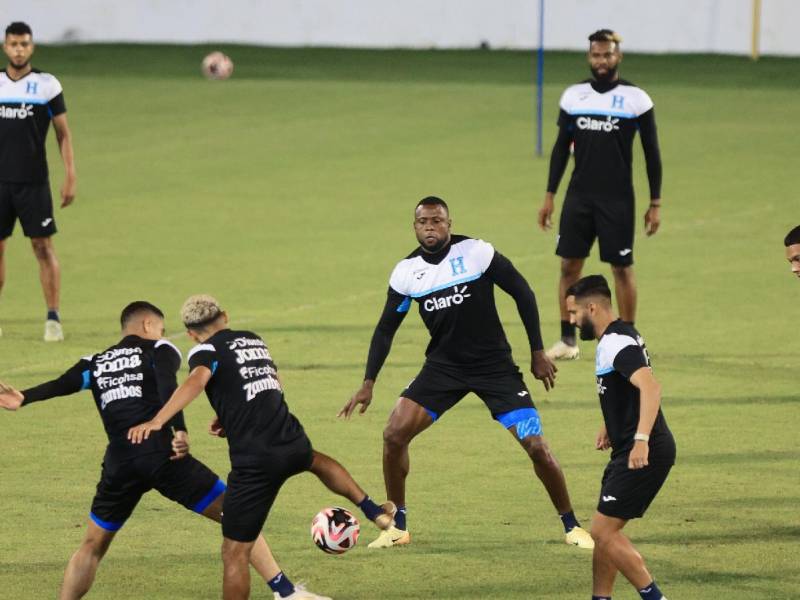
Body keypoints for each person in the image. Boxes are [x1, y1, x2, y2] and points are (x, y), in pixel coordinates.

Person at [0, 301, 329, 600]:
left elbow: (60, 384)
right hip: (163, 455)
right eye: (159, 326)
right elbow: (166, 384)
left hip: (120, 462)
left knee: (92, 545)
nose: (162, 332)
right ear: (147, 326)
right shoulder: (160, 348)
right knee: (237, 514)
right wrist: (178, 429)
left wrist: (24, 397)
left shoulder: (95, 363)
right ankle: (285, 592)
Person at [341, 195, 594, 550]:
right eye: (423, 222)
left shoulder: (476, 253)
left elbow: (522, 291)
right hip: (444, 367)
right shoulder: (406, 273)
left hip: (494, 367)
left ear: (449, 223)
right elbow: (385, 329)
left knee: (537, 447)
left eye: (437, 220)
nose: (430, 227)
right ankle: (397, 526)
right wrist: (368, 383)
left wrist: (538, 351)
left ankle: (572, 526)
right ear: (414, 227)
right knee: (394, 433)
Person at [128, 295, 395, 600]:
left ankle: (283, 591)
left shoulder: (204, 350)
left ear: (190, 334)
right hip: (289, 437)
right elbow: (270, 382)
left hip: (255, 462)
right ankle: (374, 511)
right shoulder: (253, 340)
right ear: (224, 317)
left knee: (234, 553)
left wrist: (159, 421)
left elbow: (196, 382)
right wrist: (230, 414)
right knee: (316, 461)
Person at [538, 29, 663, 361]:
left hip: (618, 199)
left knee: (621, 268)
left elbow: (652, 153)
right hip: (579, 197)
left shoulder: (636, 99)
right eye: (596, 55)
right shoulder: (574, 96)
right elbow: (560, 150)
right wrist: (550, 195)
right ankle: (568, 339)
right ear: (589, 57)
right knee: (569, 266)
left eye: (607, 55)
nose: (602, 61)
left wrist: (655, 203)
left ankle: (630, 335)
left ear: (618, 56)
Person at [565, 275, 674, 600]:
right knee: (604, 530)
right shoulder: (620, 333)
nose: (571, 321)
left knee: (602, 531)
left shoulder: (615, 342)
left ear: (592, 308)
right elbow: (621, 388)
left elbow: (651, 387)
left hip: (644, 450)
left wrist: (641, 438)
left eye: (574, 313)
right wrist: (610, 423)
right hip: (626, 446)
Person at [0, 21, 77, 341]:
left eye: (24, 44)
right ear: (5, 46)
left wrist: (70, 174)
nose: (19, 49)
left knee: (43, 247)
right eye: (13, 43)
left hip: (34, 183)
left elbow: (63, 133)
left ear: (32, 47)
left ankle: (52, 318)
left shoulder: (46, 85)